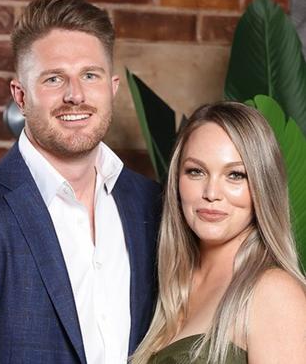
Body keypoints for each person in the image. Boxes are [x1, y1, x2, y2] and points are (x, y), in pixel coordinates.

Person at [0, 0, 162, 363]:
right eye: (54, 78)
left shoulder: (152, 204)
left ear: (112, 88)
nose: (75, 95)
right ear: (21, 96)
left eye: (89, 75)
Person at [131, 102, 306, 364]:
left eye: (235, 175)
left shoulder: (273, 293)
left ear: (262, 185)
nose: (211, 193)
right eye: (196, 171)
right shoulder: (173, 286)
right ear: (176, 181)